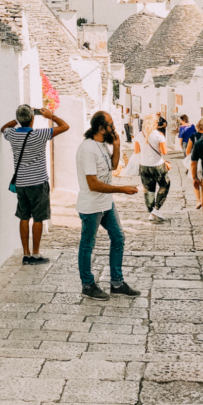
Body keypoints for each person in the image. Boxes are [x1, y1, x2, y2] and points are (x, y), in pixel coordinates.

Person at [76, 111, 141, 300]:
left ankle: (117, 283)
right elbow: (93, 184)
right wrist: (122, 189)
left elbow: (113, 166)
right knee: (87, 245)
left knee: (118, 238)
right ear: (101, 128)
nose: (114, 128)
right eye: (111, 125)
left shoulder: (102, 145)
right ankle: (87, 285)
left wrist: (118, 145)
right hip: (91, 206)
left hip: (106, 204)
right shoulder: (88, 149)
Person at [1, 105, 70, 264]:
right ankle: (36, 254)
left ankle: (26, 254)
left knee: (24, 216)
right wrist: (51, 117)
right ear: (32, 118)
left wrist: (15, 121)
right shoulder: (40, 134)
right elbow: (65, 126)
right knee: (38, 218)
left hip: (21, 183)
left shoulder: (12, 134)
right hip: (38, 182)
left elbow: (4, 128)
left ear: (19, 119)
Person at [134, 114, 171, 220]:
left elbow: (136, 151)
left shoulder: (140, 135)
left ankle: (151, 211)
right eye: (156, 123)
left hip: (144, 165)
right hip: (157, 165)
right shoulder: (159, 135)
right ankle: (156, 208)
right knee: (165, 185)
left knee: (148, 190)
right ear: (154, 123)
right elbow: (164, 151)